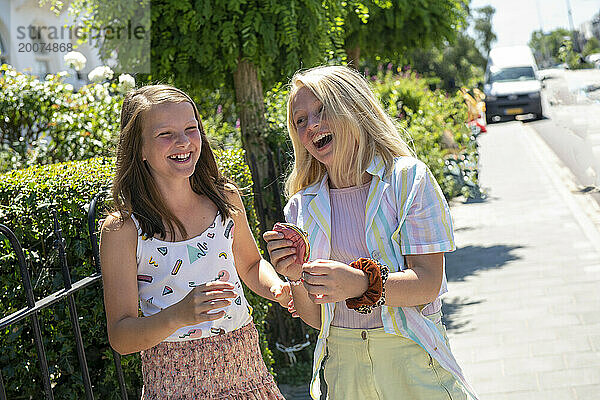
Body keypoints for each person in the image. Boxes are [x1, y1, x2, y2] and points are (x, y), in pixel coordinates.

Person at [263, 66, 478, 400]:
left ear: (353, 108)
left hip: (411, 357)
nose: (311, 126)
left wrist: (362, 285)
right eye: (300, 120)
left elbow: (427, 283)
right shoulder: (300, 207)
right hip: (343, 367)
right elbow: (318, 319)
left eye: (322, 110)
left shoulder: (408, 180)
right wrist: (294, 276)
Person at [100, 85, 288, 399]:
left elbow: (252, 264)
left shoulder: (224, 198)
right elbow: (121, 335)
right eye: (165, 134)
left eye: (191, 129)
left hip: (247, 368)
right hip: (175, 383)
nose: (184, 142)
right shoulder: (123, 229)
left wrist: (276, 288)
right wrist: (178, 314)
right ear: (139, 149)